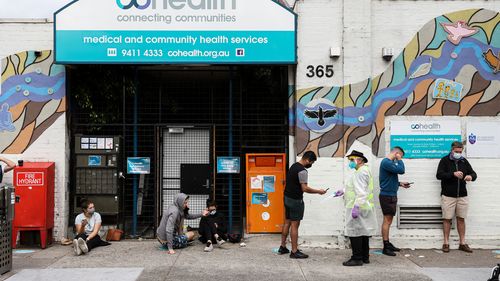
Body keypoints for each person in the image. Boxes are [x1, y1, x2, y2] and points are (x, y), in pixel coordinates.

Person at [278, 151, 327, 259]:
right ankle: (294, 251)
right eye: (312, 162)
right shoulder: (302, 171)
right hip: (295, 200)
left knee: (287, 222)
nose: (311, 165)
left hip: (287, 198)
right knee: (295, 226)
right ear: (307, 160)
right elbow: (304, 188)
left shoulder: (294, 166)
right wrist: (318, 191)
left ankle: (282, 246)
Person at [436, 141, 477, 253]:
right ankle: (446, 243)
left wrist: (470, 176)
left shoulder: (464, 161)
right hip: (448, 196)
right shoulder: (445, 160)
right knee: (447, 219)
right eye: (456, 151)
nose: (458, 153)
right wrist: (452, 174)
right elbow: (439, 175)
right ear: (452, 150)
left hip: (462, 196)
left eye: (460, 151)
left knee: (461, 219)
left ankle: (462, 243)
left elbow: (474, 174)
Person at [342, 150, 377, 266]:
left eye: (352, 159)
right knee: (363, 231)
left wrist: (356, 207)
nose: (350, 162)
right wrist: (343, 191)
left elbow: (361, 192)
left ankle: (357, 258)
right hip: (365, 206)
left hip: (357, 206)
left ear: (359, 160)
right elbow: (359, 187)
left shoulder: (360, 173)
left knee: (355, 232)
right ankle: (364, 257)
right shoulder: (363, 170)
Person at [379, 146, 410, 256]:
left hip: (390, 195)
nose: (399, 159)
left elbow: (388, 179)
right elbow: (401, 170)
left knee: (389, 220)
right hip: (387, 196)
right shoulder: (386, 162)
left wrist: (400, 184)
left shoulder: (388, 163)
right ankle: (386, 246)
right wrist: (399, 159)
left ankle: (387, 243)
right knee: (387, 221)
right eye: (400, 156)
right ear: (397, 153)